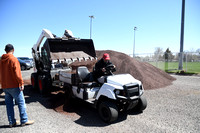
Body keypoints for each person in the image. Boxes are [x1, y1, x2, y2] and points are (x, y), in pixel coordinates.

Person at [0, 44, 34, 127]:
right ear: (13, 50)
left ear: (5, 50)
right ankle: (24, 120)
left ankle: (11, 122)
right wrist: (21, 83)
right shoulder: (13, 59)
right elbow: (17, 74)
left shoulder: (1, 60)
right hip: (14, 86)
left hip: (5, 86)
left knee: (9, 105)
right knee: (21, 103)